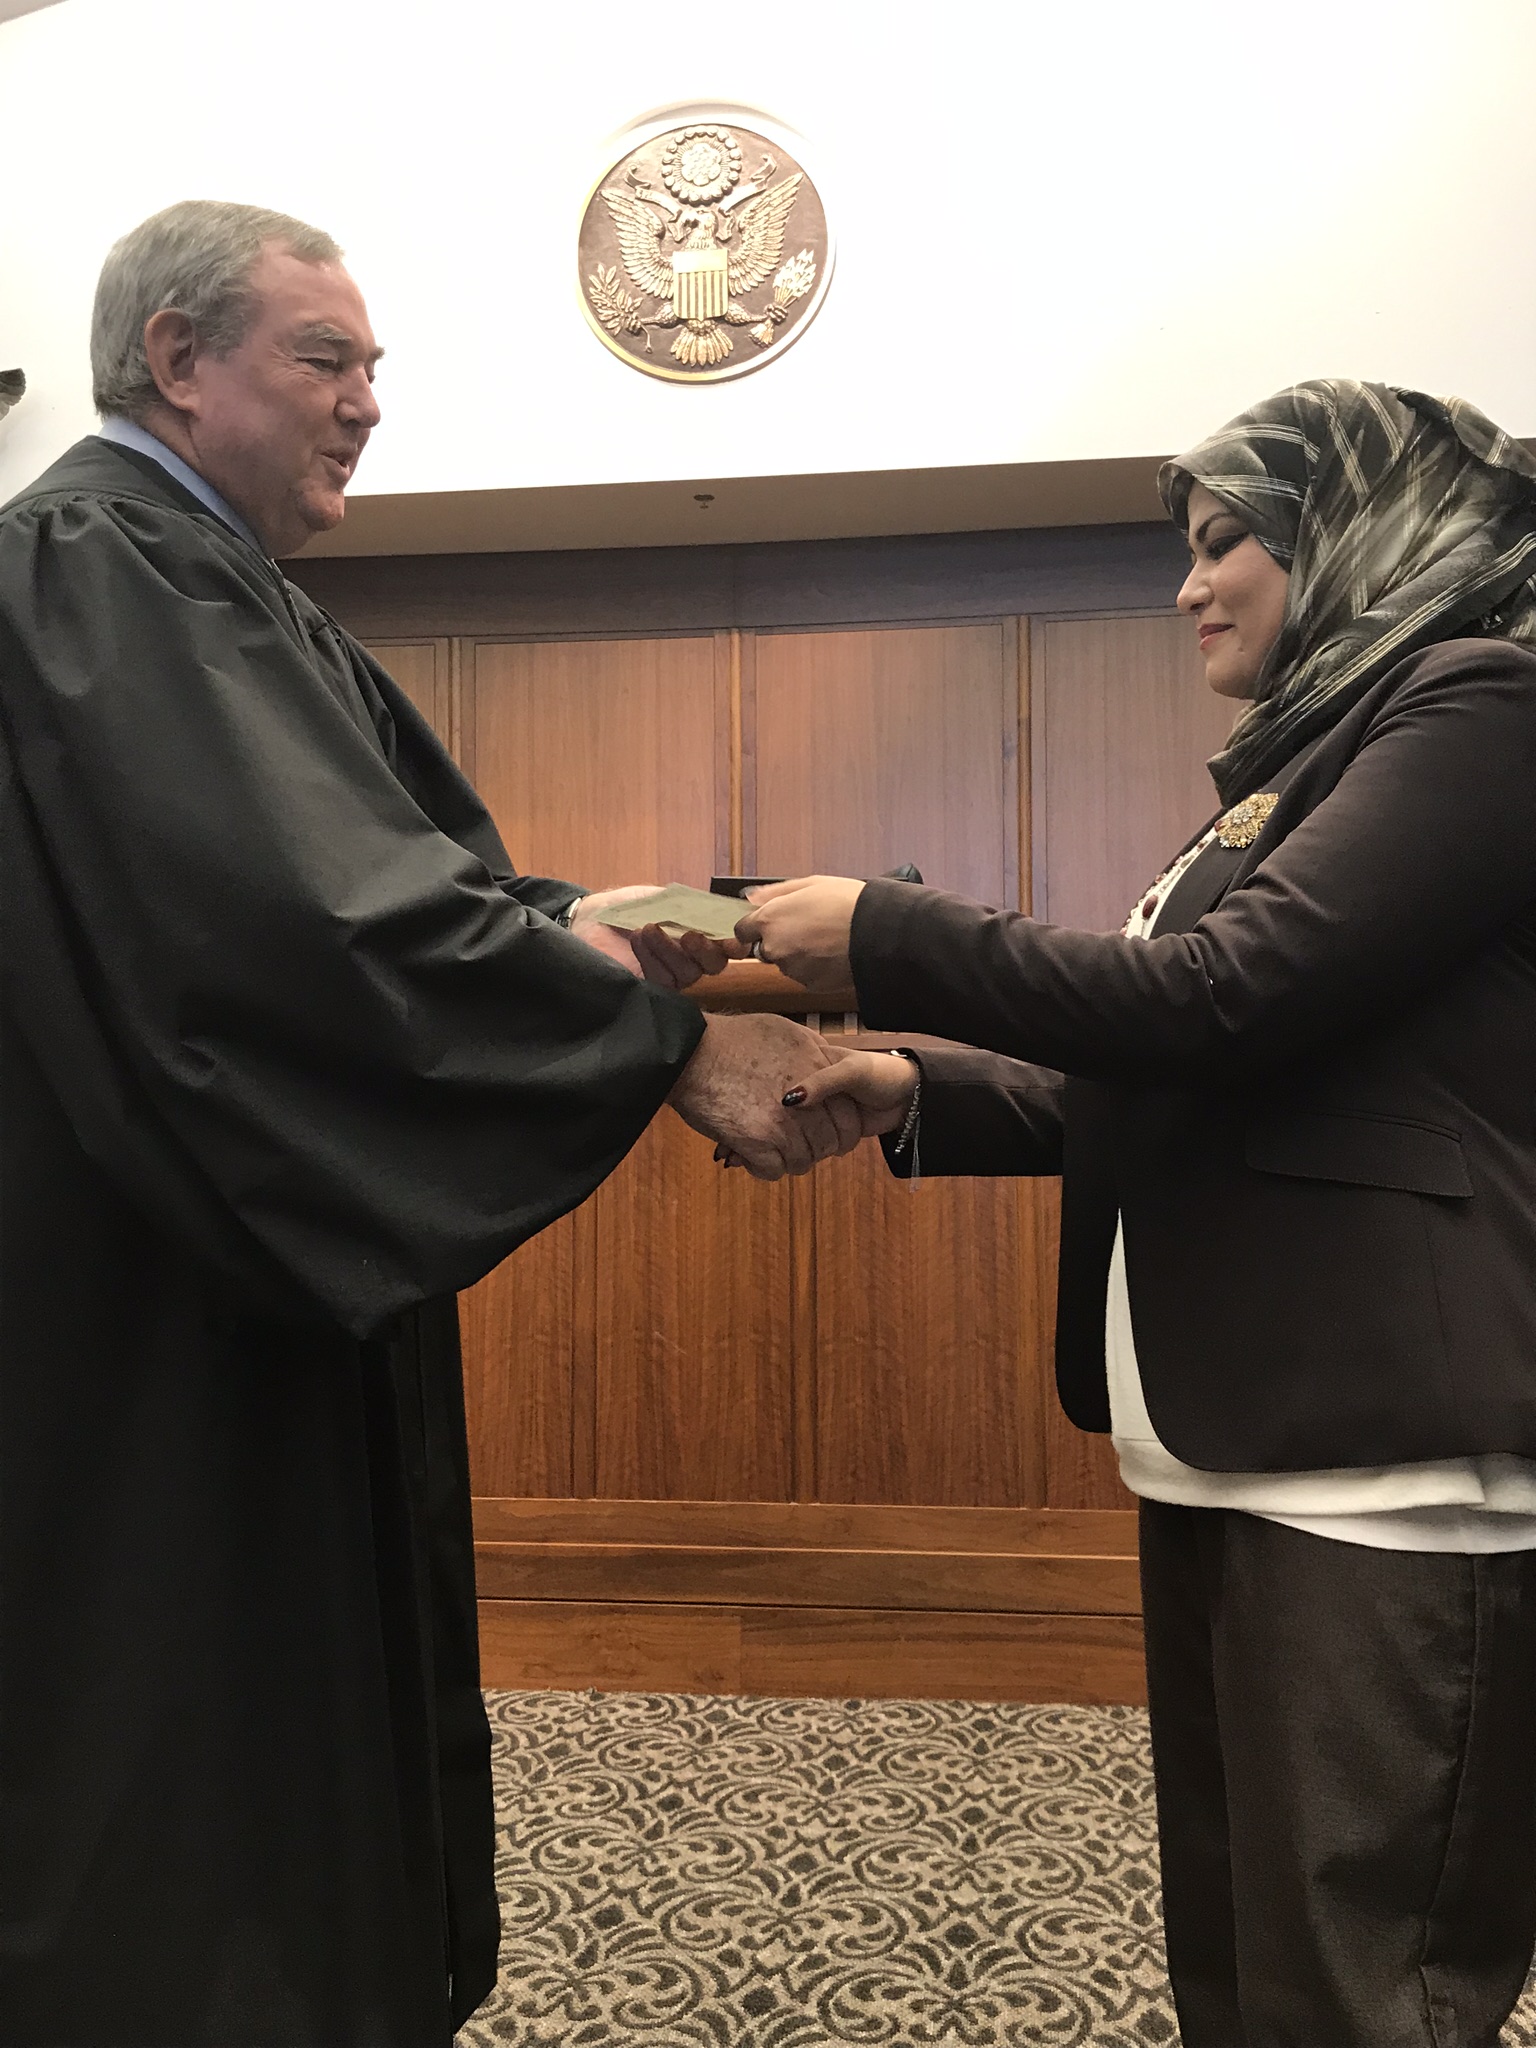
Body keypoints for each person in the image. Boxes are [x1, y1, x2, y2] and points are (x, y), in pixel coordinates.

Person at [0, 199, 860, 2046]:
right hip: (156, 1309)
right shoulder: (99, 563)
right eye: (327, 358)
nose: (368, 400)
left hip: (220, 1286)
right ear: (176, 360)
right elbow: (306, 934)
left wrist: (599, 927)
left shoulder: (200, 575)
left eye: (374, 364)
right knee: (191, 1778)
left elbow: (400, 888)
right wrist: (660, 1044)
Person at [734, 380, 1536, 2046]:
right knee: (1244, 1967)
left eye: (1227, 539)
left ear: (1362, 527)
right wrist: (912, 1085)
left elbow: (1223, 998)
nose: (1188, 585)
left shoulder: (1482, 699)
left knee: (1363, 1987)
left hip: (1384, 1464)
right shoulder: (1300, 760)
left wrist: (893, 932)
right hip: (1238, 1441)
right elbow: (1189, 1073)